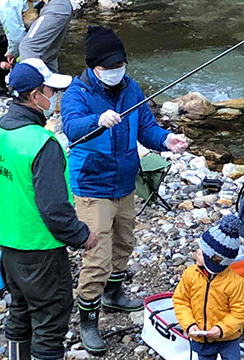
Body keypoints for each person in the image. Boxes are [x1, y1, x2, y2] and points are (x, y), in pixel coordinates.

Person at [61, 25, 188, 355]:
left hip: (124, 183)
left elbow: (145, 127)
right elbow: (72, 128)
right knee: (97, 257)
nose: (117, 71)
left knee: (124, 243)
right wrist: (97, 121)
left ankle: (114, 296)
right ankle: (88, 320)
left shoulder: (131, 89)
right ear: (94, 68)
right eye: (110, 67)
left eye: (121, 65)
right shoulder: (77, 93)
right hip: (92, 185)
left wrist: (165, 140)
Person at [0, 58, 98, 360]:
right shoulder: (42, 143)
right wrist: (81, 235)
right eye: (51, 91)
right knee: (49, 322)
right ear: (35, 96)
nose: (55, 99)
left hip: (8, 246)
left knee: (19, 312)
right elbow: (54, 209)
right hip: (41, 250)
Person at [173, 214, 244, 360]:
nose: (197, 252)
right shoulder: (190, 274)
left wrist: (222, 329)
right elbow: (180, 301)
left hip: (228, 338)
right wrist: (189, 325)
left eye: (202, 252)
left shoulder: (235, 282)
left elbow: (241, 311)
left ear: (213, 260)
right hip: (201, 337)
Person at [0, 0, 79, 70]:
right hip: (62, 6)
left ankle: (31, 89)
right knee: (47, 54)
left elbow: (17, 39)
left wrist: (12, 52)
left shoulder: (3, 4)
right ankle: (51, 88)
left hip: (53, 8)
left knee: (28, 47)